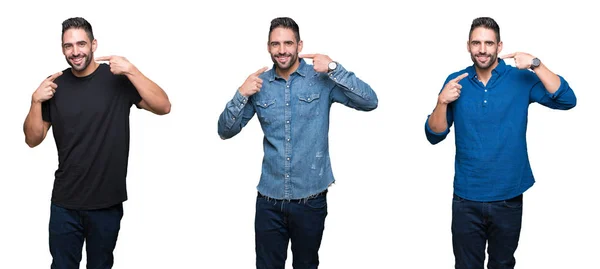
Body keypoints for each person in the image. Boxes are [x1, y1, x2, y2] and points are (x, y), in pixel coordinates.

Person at [217, 16, 378, 269]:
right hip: (269, 200)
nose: (282, 50)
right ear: (268, 47)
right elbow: (225, 131)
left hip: (310, 198)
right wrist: (240, 93)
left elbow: (370, 101)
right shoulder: (259, 85)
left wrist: (335, 68)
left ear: (300, 45)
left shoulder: (322, 79)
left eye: (288, 43)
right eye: (275, 44)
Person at [424, 17, 576, 268]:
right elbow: (434, 135)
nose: (482, 49)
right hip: (466, 197)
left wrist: (536, 64)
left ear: (499, 46)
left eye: (488, 43)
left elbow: (567, 100)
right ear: (468, 46)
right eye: (476, 43)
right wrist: (441, 102)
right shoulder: (456, 80)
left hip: (508, 194)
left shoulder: (520, 78)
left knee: (502, 264)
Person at [23, 17, 171, 269]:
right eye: (68, 46)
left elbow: (163, 106)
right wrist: (35, 101)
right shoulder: (54, 83)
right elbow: (32, 139)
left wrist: (132, 70)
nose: (75, 51)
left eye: (81, 44)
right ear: (62, 49)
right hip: (65, 203)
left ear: (94, 44)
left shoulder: (118, 79)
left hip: (106, 202)